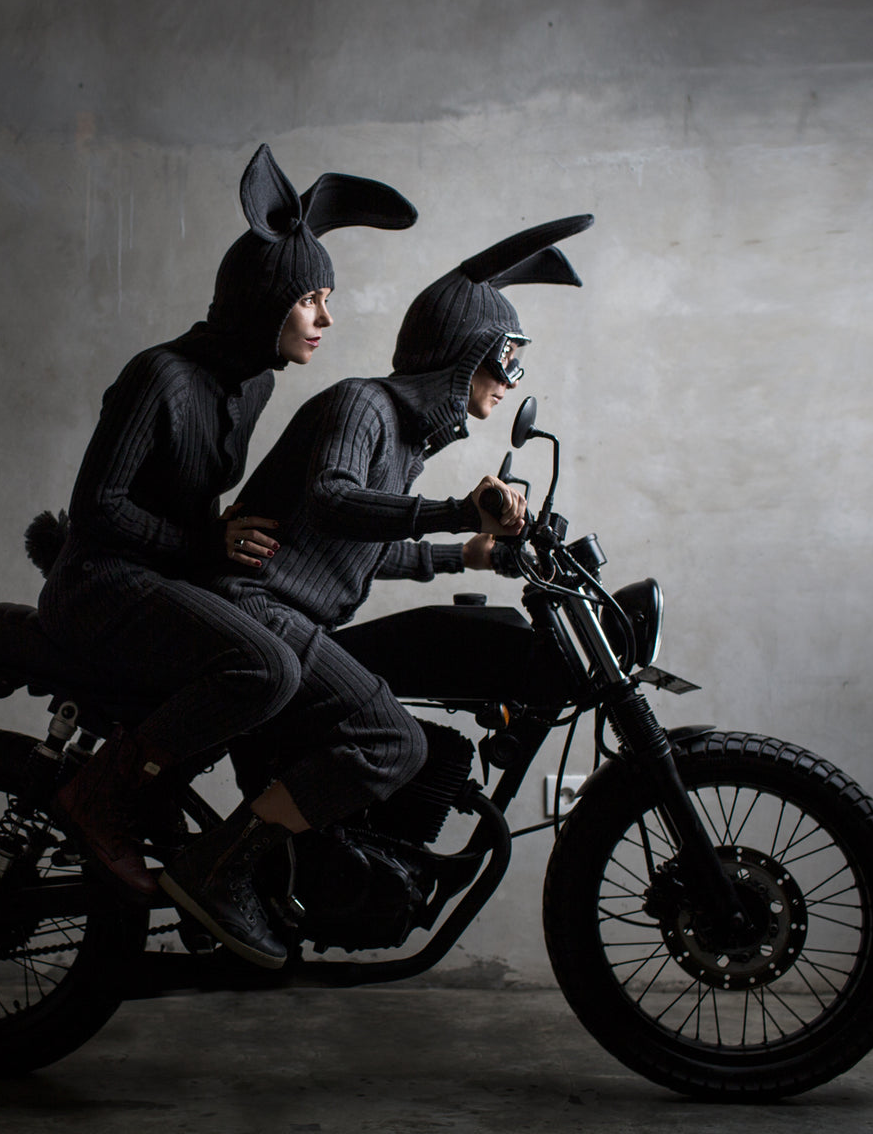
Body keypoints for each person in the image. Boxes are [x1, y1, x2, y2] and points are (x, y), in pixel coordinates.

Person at [160, 214, 593, 968]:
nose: (511, 378)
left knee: (396, 709)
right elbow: (333, 500)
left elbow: (355, 547)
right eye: (507, 359)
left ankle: (300, 864)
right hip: (257, 609)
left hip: (293, 613)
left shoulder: (400, 438)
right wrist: (456, 510)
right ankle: (221, 865)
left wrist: (470, 554)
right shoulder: (365, 405)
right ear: (465, 355)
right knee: (393, 739)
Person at [33, 144, 417, 903]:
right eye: (311, 299)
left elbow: (185, 498)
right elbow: (98, 508)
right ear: (265, 296)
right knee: (268, 665)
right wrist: (208, 541)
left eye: (326, 300)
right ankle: (101, 791)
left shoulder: (253, 388)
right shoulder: (160, 376)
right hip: (100, 582)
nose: (326, 318)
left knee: (277, 662)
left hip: (160, 581)